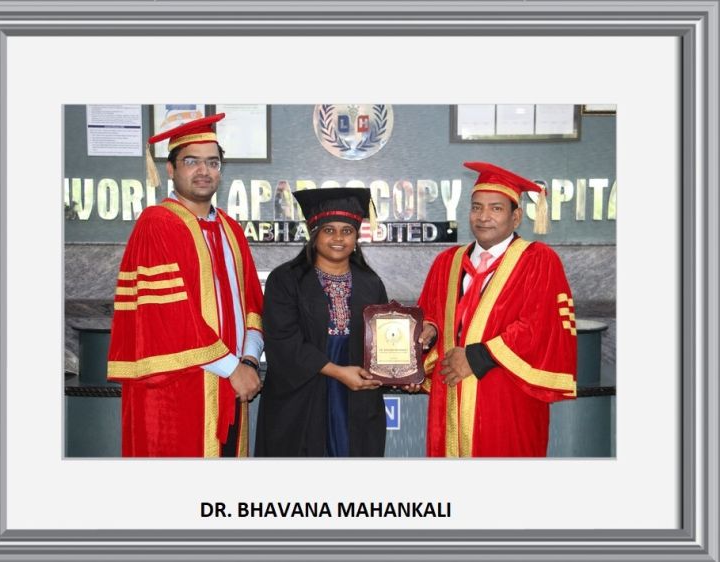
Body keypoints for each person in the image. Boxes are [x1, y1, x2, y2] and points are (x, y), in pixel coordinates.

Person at [106, 114, 264, 457]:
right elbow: (171, 318)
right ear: (170, 169)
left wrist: (249, 362)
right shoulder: (157, 224)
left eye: (212, 162)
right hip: (177, 389)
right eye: (191, 161)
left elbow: (253, 305)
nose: (204, 170)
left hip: (233, 385)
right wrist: (233, 368)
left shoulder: (231, 230)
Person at [416, 162, 577, 457]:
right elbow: (430, 313)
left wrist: (476, 357)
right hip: (450, 396)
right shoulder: (447, 262)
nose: (483, 217)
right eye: (476, 207)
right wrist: (429, 332)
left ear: (516, 217)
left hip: (507, 396)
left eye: (496, 208)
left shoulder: (538, 260)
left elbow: (539, 326)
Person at [255, 188, 388, 457]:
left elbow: (384, 340)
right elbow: (283, 341)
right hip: (302, 394)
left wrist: (400, 371)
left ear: (356, 237)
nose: (338, 238)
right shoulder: (286, 279)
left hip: (356, 397)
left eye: (347, 231)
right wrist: (337, 372)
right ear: (314, 234)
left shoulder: (370, 282)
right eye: (329, 230)